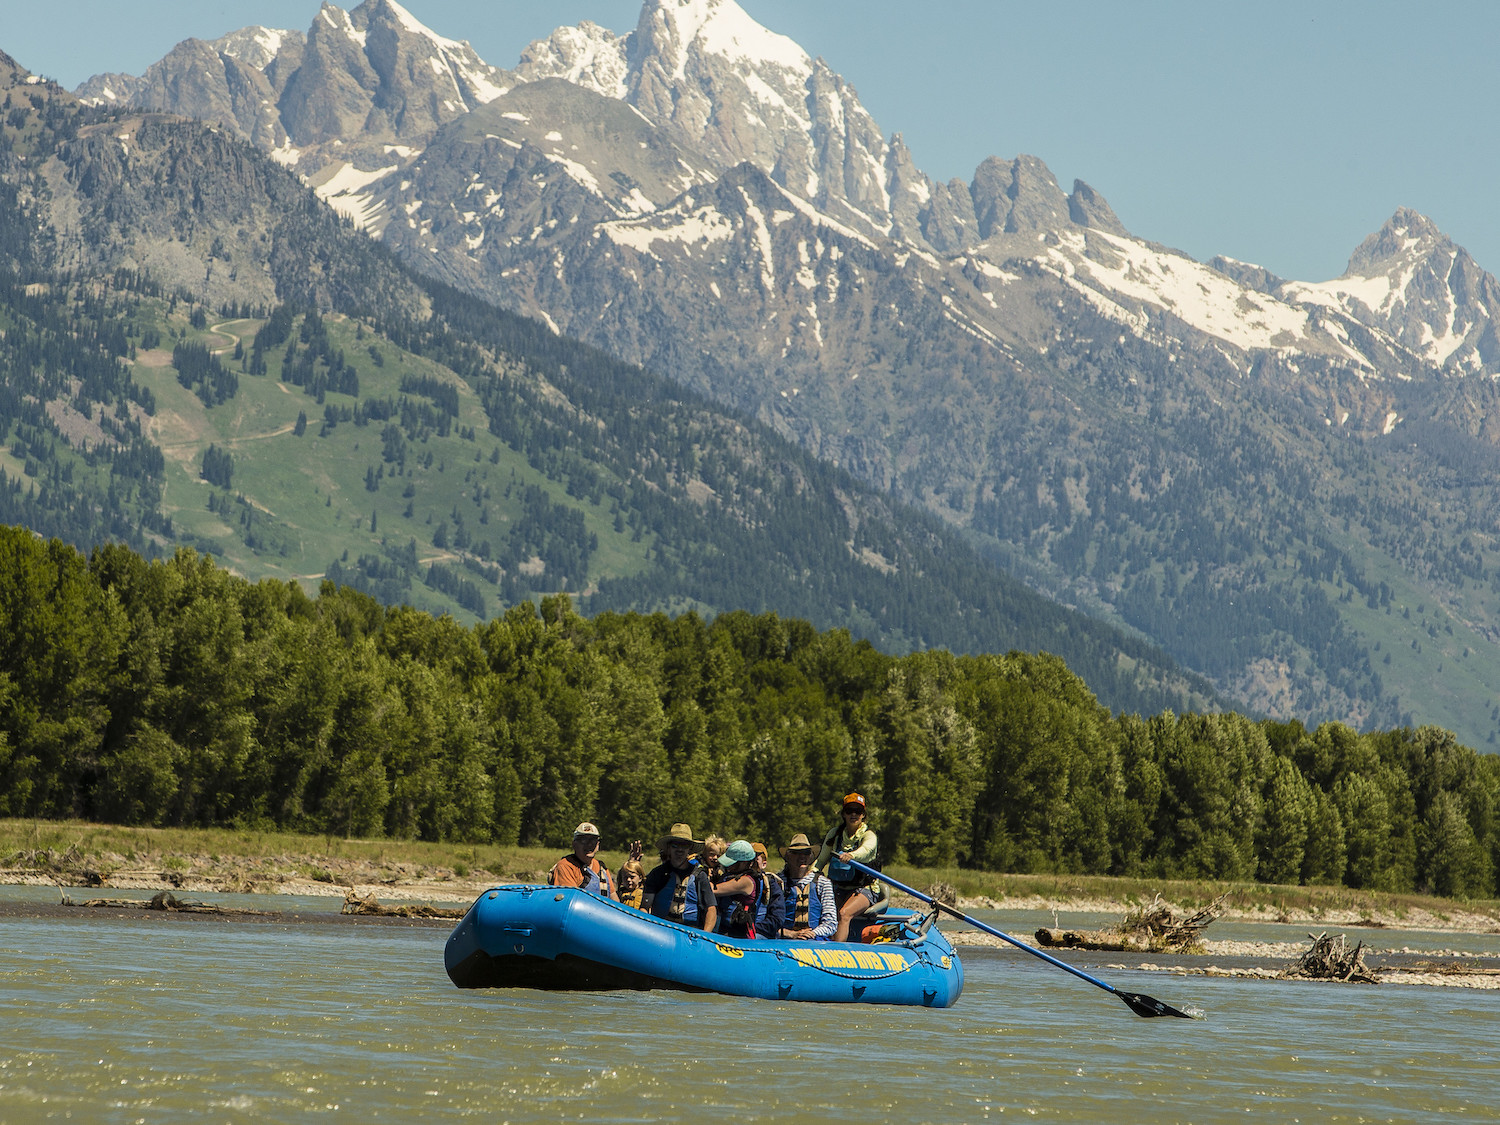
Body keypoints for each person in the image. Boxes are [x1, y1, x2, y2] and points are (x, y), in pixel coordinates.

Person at [811, 792, 880, 942]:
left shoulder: (868, 836)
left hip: (865, 889)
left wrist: (852, 856)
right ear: (843, 814)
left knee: (843, 914)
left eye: (858, 811)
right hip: (838, 888)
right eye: (849, 811)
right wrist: (810, 874)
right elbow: (821, 861)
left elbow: (866, 850)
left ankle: (836, 952)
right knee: (824, 914)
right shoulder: (834, 835)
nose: (853, 814)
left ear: (863, 815)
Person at [641, 823, 717, 931]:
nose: (680, 850)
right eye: (675, 845)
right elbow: (645, 906)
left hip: (690, 932)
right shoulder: (657, 874)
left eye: (684, 845)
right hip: (661, 929)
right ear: (668, 848)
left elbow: (711, 908)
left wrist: (705, 935)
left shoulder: (700, 875)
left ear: (690, 849)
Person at [778, 832, 837, 940]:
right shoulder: (777, 882)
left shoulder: (823, 883)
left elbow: (831, 923)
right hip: (784, 940)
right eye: (796, 853)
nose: (802, 857)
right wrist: (789, 934)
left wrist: (811, 934)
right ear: (788, 856)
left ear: (811, 857)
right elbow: (767, 921)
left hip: (814, 940)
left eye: (806, 853)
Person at [548, 821, 619, 900]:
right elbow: (570, 900)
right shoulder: (565, 866)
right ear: (574, 844)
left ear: (598, 845)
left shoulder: (602, 868)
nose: (589, 845)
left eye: (593, 840)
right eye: (584, 840)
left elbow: (614, 898)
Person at [713, 840, 760, 939]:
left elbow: (714, 890)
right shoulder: (731, 876)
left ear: (744, 863)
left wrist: (703, 877)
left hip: (739, 935)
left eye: (733, 863)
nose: (728, 866)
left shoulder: (746, 881)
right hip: (725, 930)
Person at [750, 842, 785, 939]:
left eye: (755, 859)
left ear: (764, 864)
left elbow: (777, 919)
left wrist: (751, 929)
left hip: (762, 934)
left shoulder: (771, 884)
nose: (750, 863)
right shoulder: (736, 881)